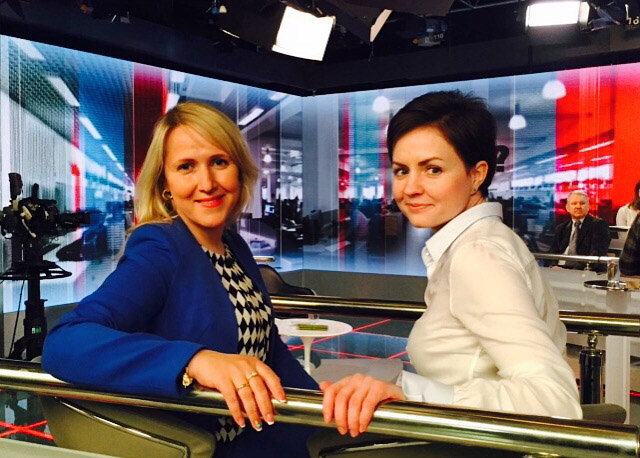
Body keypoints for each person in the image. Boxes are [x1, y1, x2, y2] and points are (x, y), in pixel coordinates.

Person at [42, 102, 317, 457]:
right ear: (166, 185)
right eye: (186, 167)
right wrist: (194, 361)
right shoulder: (160, 246)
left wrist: (320, 401)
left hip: (266, 438)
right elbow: (66, 341)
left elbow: (268, 350)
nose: (207, 183)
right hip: (213, 448)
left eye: (219, 162)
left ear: (238, 170)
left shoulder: (233, 245)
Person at [319, 91, 582, 444]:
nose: (411, 188)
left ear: (476, 175)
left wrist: (413, 392)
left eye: (433, 169)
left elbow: (555, 401)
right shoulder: (474, 243)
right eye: (402, 170)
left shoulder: (478, 255)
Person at [549, 190, 611, 270]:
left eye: (582, 203)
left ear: (588, 206)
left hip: (583, 270)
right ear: (567, 208)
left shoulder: (599, 225)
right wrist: (553, 266)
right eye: (574, 203)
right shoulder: (561, 228)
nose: (578, 206)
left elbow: (597, 253)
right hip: (559, 269)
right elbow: (552, 253)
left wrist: (572, 271)